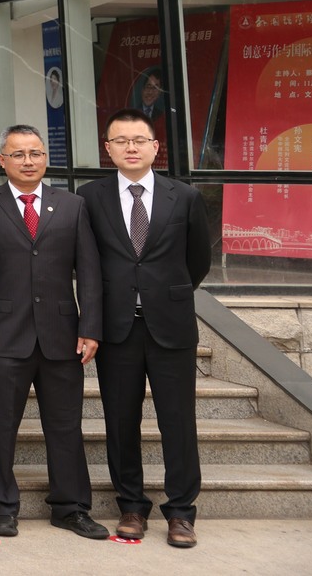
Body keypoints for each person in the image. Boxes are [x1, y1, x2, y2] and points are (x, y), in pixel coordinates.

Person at [0, 124, 108, 541]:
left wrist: (90, 327)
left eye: (36, 153)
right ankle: (1, 506)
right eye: (19, 154)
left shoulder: (73, 206)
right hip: (5, 334)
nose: (28, 161)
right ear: (2, 161)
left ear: (46, 158)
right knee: (0, 424)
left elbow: (90, 272)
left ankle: (71, 508)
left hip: (62, 335)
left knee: (65, 426)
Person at [84, 109, 211, 548]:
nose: (131, 147)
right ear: (108, 149)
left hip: (171, 326)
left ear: (156, 147)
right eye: (121, 141)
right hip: (117, 328)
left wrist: (164, 294)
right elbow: (88, 262)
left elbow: (198, 261)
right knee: (121, 421)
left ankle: (181, 512)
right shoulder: (90, 197)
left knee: (179, 422)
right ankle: (132, 506)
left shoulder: (185, 196)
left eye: (139, 140)